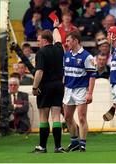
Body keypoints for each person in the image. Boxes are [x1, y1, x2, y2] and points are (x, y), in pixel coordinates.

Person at [31, 23, 65, 153]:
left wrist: (35, 87)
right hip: (58, 85)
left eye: (39, 40)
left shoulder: (41, 52)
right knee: (56, 116)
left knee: (43, 117)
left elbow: (39, 71)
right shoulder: (59, 48)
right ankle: (58, 147)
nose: (38, 43)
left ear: (44, 40)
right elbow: (58, 38)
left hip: (45, 86)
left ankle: (42, 146)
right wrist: (56, 27)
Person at [63, 31, 96, 152]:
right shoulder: (66, 55)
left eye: (68, 41)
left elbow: (92, 75)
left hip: (81, 89)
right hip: (68, 89)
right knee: (67, 117)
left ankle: (82, 144)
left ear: (75, 41)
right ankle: (74, 142)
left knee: (82, 117)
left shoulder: (87, 56)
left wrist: (90, 92)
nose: (66, 43)